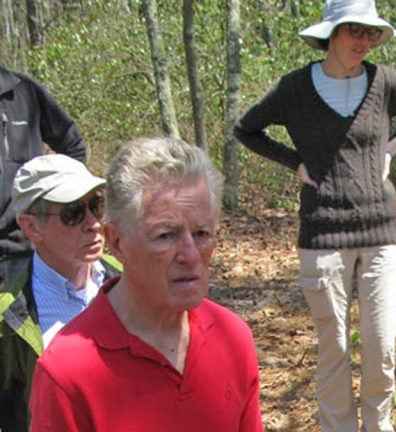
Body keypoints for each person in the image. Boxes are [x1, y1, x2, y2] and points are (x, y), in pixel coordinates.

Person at [234, 1, 396, 430]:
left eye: (370, 33)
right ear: (331, 34)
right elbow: (246, 129)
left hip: (383, 231)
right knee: (334, 349)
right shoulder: (295, 89)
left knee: (380, 350)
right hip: (322, 234)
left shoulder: (385, 81)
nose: (364, 41)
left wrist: (389, 151)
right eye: (354, 32)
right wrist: (295, 163)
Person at [28, 137, 263, 431]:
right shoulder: (67, 371)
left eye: (202, 233)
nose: (190, 255)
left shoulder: (232, 338)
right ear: (116, 241)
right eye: (166, 235)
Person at [0, 154, 119, 432]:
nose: (93, 223)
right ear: (31, 227)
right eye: (73, 213)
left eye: (96, 206)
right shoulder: (9, 321)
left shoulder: (134, 284)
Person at [1, 66, 87, 285]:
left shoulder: (24, 93)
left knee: (28, 319)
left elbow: (73, 147)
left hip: (25, 249)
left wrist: (61, 213)